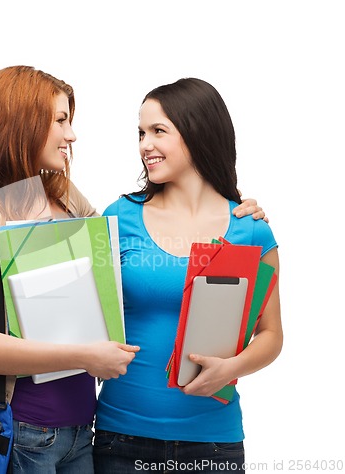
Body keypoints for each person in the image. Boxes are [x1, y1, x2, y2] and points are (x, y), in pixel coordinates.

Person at [0, 66, 267, 473]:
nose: (71, 135)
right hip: (25, 431)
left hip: (85, 431)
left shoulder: (64, 198)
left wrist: (234, 211)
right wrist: (85, 355)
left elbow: (134, 251)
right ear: (20, 124)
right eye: (60, 121)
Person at [93, 78, 283, 474]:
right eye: (141, 132)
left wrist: (231, 369)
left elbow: (271, 335)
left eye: (159, 131)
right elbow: (88, 315)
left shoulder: (251, 230)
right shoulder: (117, 217)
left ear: (197, 133)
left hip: (213, 444)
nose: (145, 144)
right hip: (120, 439)